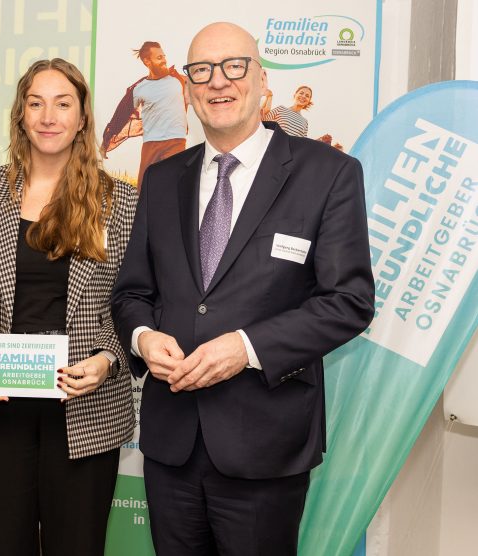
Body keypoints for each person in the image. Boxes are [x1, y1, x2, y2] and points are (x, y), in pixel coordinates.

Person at [110, 22, 374, 555]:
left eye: (234, 66)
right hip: (170, 444)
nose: (218, 81)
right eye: (201, 70)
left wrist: (245, 348)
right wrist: (142, 337)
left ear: (262, 81)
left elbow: (348, 302)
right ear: (189, 87)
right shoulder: (163, 180)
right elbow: (132, 292)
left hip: (265, 444)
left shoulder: (328, 174)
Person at [0, 58, 137, 555]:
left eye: (62, 103)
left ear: (82, 118)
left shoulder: (117, 201)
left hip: (84, 407)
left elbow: (135, 298)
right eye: (36, 103)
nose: (48, 116)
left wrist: (108, 358)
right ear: (20, 115)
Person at [101, 41, 188, 189]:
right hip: (151, 144)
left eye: (164, 56)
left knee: (173, 185)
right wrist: (108, 138)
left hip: (176, 141)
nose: (164, 60)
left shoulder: (178, 80)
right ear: (147, 61)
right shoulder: (140, 88)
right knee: (144, 189)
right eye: (159, 57)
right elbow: (121, 115)